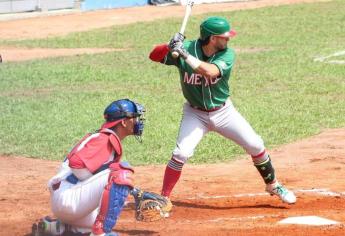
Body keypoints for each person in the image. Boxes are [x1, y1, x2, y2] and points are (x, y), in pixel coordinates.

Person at [148, 16, 296, 209]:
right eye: (224, 37)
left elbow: (209, 71)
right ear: (212, 38)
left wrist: (183, 55)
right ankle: (164, 197)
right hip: (195, 114)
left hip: (223, 112)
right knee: (181, 153)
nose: (229, 39)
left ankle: (273, 185)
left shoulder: (227, 55)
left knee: (255, 144)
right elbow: (154, 56)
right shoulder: (187, 48)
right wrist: (168, 46)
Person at [34, 99, 145, 236]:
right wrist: (109, 173)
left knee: (112, 189)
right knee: (121, 173)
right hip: (69, 200)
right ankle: (101, 232)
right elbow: (76, 165)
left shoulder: (102, 137)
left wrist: (133, 192)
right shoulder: (104, 139)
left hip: (67, 201)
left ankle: (57, 228)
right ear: (123, 122)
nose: (137, 121)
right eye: (134, 117)